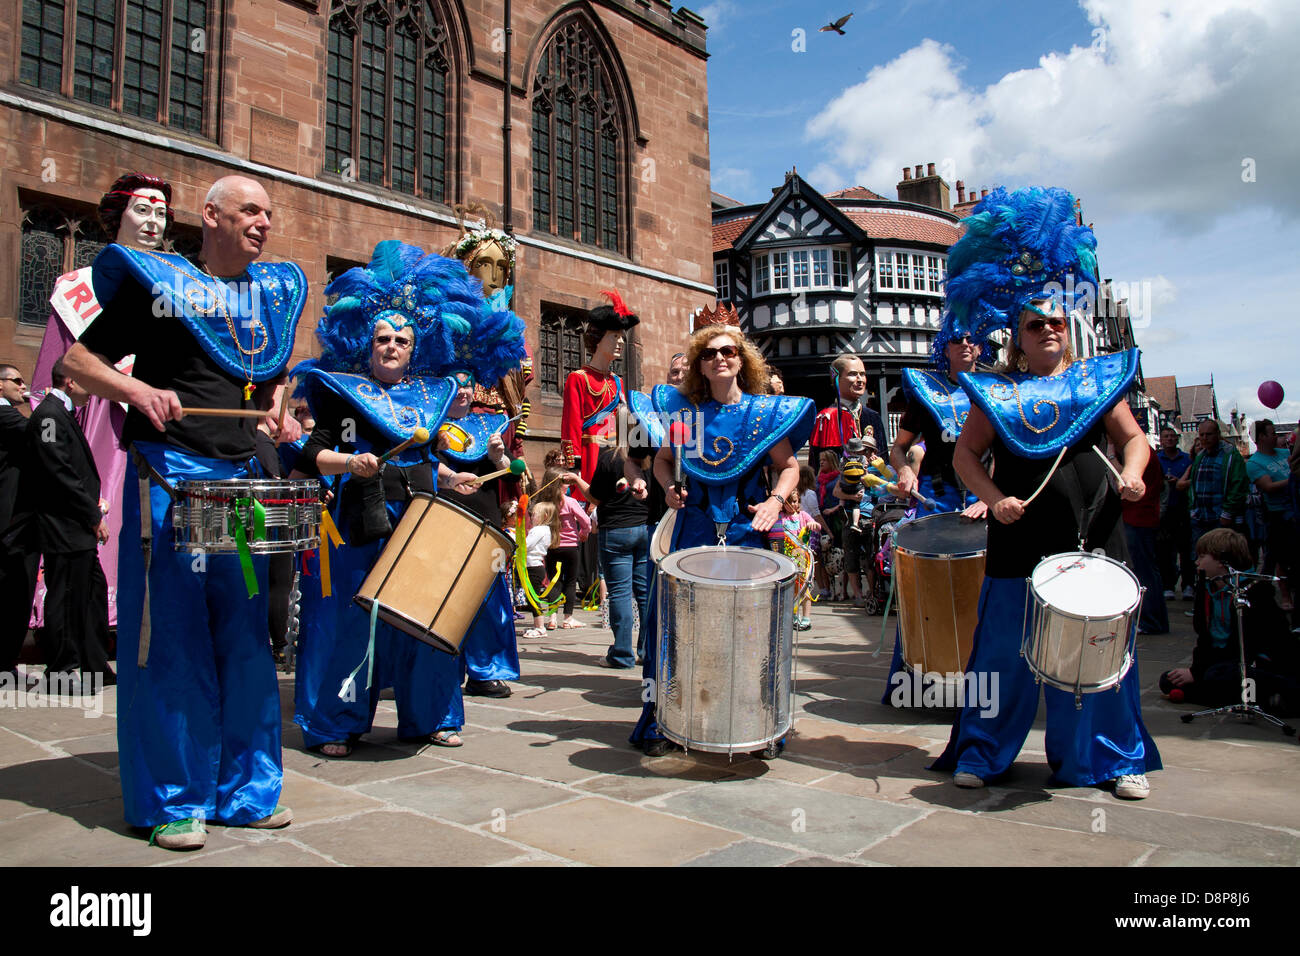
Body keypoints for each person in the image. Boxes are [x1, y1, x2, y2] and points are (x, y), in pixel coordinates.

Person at [64, 174, 306, 849]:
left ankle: (248, 792)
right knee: (171, 644)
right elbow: (80, 363)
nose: (263, 223)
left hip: (240, 488)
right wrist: (137, 389)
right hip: (170, 478)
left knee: (248, 641)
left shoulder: (270, 294)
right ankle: (176, 799)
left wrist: (276, 407)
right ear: (212, 217)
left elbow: (272, 372)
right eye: (250, 211)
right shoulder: (161, 287)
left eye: (268, 214)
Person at [931, 186, 1161, 800]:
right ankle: (983, 753)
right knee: (1003, 653)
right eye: (1036, 325)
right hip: (1018, 539)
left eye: (1057, 321)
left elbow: (1134, 441)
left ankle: (1110, 760)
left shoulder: (1097, 382)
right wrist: (992, 496)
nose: (1049, 331)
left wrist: (1134, 473)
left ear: (1069, 327)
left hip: (1094, 532)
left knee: (1099, 651)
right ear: (1019, 336)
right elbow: (964, 455)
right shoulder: (995, 391)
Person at [291, 240, 523, 755]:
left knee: (426, 618)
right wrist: (348, 462)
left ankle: (432, 716)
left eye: (401, 339)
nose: (391, 345)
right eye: (382, 338)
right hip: (359, 519)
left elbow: (421, 461)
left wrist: (447, 477)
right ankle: (337, 723)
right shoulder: (340, 391)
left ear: (415, 347)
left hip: (421, 518)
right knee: (355, 623)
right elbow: (312, 454)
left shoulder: (429, 396)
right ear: (367, 344)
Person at [630, 319, 814, 756]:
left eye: (728, 351)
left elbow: (789, 467)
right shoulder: (686, 415)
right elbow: (662, 460)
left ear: (741, 359)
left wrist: (775, 501)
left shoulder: (763, 412)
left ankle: (756, 721)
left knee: (751, 625)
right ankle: (667, 721)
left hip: (748, 529)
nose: (719, 358)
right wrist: (668, 488)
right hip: (693, 528)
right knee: (675, 623)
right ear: (700, 365)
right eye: (710, 353)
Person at [29, 174, 177, 631]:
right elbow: (51, 372)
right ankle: (86, 621)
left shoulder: (177, 284)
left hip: (156, 423)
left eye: (161, 213)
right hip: (92, 422)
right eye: (142, 210)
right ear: (117, 217)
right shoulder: (78, 285)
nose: (153, 221)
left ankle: (138, 618)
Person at [880, 332, 990, 702]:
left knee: (984, 593)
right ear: (944, 347)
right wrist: (904, 471)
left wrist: (992, 497)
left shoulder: (999, 387)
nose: (964, 345)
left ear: (981, 347)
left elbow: (1012, 451)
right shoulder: (926, 392)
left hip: (984, 499)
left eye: (971, 339)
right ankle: (918, 683)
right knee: (927, 590)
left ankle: (982, 685)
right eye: (955, 339)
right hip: (937, 500)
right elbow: (898, 447)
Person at [4, 358, 113, 685]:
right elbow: (58, 471)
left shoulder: (60, 414)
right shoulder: (49, 415)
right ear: (70, 381)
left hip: (76, 527)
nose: (90, 390)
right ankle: (62, 670)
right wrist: (92, 514)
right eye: (85, 381)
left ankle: (96, 665)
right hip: (63, 526)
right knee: (65, 598)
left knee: (93, 594)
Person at [436, 364, 527, 699]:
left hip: (486, 525)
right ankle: (443, 669)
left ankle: (483, 671)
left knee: (487, 602)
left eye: (467, 386)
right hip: (445, 523)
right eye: (456, 385)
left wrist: (498, 457)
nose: (462, 392)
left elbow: (509, 474)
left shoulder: (490, 425)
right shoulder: (429, 425)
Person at [1160, 529, 1299, 715]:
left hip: (1254, 662)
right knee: (1168, 680)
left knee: (1219, 677)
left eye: (1202, 556)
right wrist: (1195, 670)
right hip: (1221, 661)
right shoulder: (1206, 587)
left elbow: (1252, 644)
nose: (1197, 562)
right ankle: (1253, 698)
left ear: (1221, 561)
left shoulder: (1256, 591)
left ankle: (1270, 694)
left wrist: (1199, 673)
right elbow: (1204, 636)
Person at [808, 354, 887, 605]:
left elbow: (883, 456)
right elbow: (815, 463)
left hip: (871, 496)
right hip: (836, 497)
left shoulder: (872, 416)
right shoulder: (825, 417)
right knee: (843, 547)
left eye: (863, 374)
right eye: (853, 374)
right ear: (837, 378)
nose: (860, 379)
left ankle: (874, 590)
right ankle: (842, 590)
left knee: (872, 546)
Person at [560, 291, 638, 501]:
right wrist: (573, 466)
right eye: (615, 336)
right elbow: (571, 425)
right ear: (598, 339)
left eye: (622, 336)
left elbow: (622, 424)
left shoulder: (617, 381)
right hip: (589, 455)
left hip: (614, 455)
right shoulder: (578, 378)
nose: (621, 341)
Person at [0, 364, 39, 685]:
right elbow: (39, 434)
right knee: (12, 594)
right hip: (11, 523)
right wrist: (47, 405)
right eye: (16, 381)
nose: (23, 386)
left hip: (17, 522)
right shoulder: (5, 414)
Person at [1247, 419, 1295, 614]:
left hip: (1294, 510)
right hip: (1276, 515)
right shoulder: (1255, 463)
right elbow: (1268, 487)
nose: (1276, 435)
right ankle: (1283, 594)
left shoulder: (1285, 453)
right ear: (1261, 437)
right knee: (1278, 558)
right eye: (1272, 432)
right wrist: (1293, 479)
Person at [1178, 419, 1248, 551]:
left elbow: (1238, 486)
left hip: (1220, 518)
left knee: (1222, 556)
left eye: (1209, 434)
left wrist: (1227, 513)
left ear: (1217, 434)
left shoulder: (1230, 455)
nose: (1205, 438)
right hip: (1200, 518)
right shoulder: (1201, 456)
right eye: (1202, 435)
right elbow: (1194, 485)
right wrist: (1193, 510)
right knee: (1202, 556)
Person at [1121, 449, 1170, 634]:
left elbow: (1124, 481)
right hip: (1140, 517)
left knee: (1143, 571)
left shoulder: (1138, 453)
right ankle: (1153, 620)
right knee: (1146, 570)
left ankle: (1151, 621)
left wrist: (1110, 455)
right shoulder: (1144, 452)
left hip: (1137, 518)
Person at [1155, 425, 1195, 600]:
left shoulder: (1187, 459)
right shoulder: (1156, 460)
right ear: (1161, 440)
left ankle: (1188, 585)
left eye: (1173, 436)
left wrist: (1180, 482)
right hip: (1164, 511)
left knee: (1186, 550)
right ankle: (1168, 585)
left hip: (1183, 508)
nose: (1170, 439)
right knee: (1165, 550)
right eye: (1166, 436)